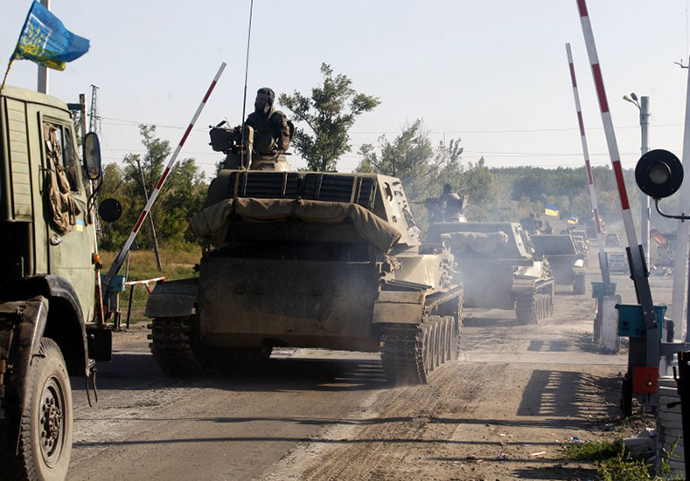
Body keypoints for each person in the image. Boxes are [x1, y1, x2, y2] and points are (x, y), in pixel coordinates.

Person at [244, 87, 291, 154]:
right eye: (257, 99)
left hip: (271, 154)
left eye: (261, 100)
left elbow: (284, 136)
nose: (258, 102)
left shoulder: (278, 117)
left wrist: (280, 149)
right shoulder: (252, 118)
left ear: (269, 102)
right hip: (253, 153)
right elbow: (245, 133)